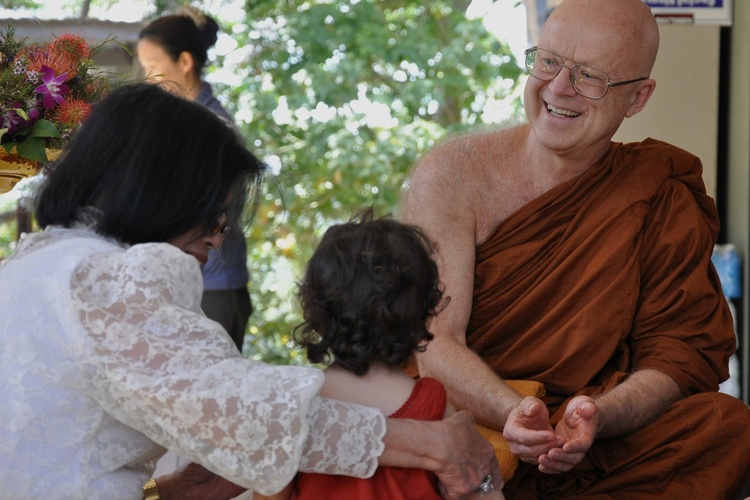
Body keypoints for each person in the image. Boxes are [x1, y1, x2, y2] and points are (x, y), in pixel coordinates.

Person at [0, 83, 502, 499]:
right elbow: (247, 410)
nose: (218, 239)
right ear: (160, 190)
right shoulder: (107, 279)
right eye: (212, 217)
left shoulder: (43, 264)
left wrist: (166, 491)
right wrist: (429, 443)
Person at [399, 0, 750, 497]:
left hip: (592, 434)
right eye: (548, 61)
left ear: (637, 98)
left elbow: (678, 352)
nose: (558, 88)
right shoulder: (454, 175)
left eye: (590, 76)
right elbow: (432, 342)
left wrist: (598, 416)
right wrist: (514, 415)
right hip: (474, 423)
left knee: (724, 428)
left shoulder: (656, 191)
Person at [255, 209, 505, 500]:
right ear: (424, 315)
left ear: (315, 313)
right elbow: (483, 493)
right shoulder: (434, 407)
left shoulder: (295, 404)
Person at [137, 7, 252, 351]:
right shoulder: (176, 120)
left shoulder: (213, 127)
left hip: (212, 285)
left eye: (154, 67)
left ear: (184, 62)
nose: (149, 78)